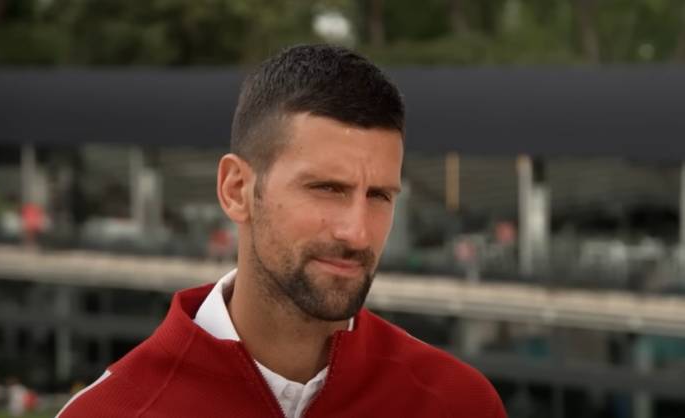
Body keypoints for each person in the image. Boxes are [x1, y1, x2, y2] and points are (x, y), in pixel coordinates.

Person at [57, 44, 506, 418]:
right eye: (327, 188)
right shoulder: (109, 411)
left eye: (379, 196)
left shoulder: (459, 404)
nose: (357, 233)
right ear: (236, 190)